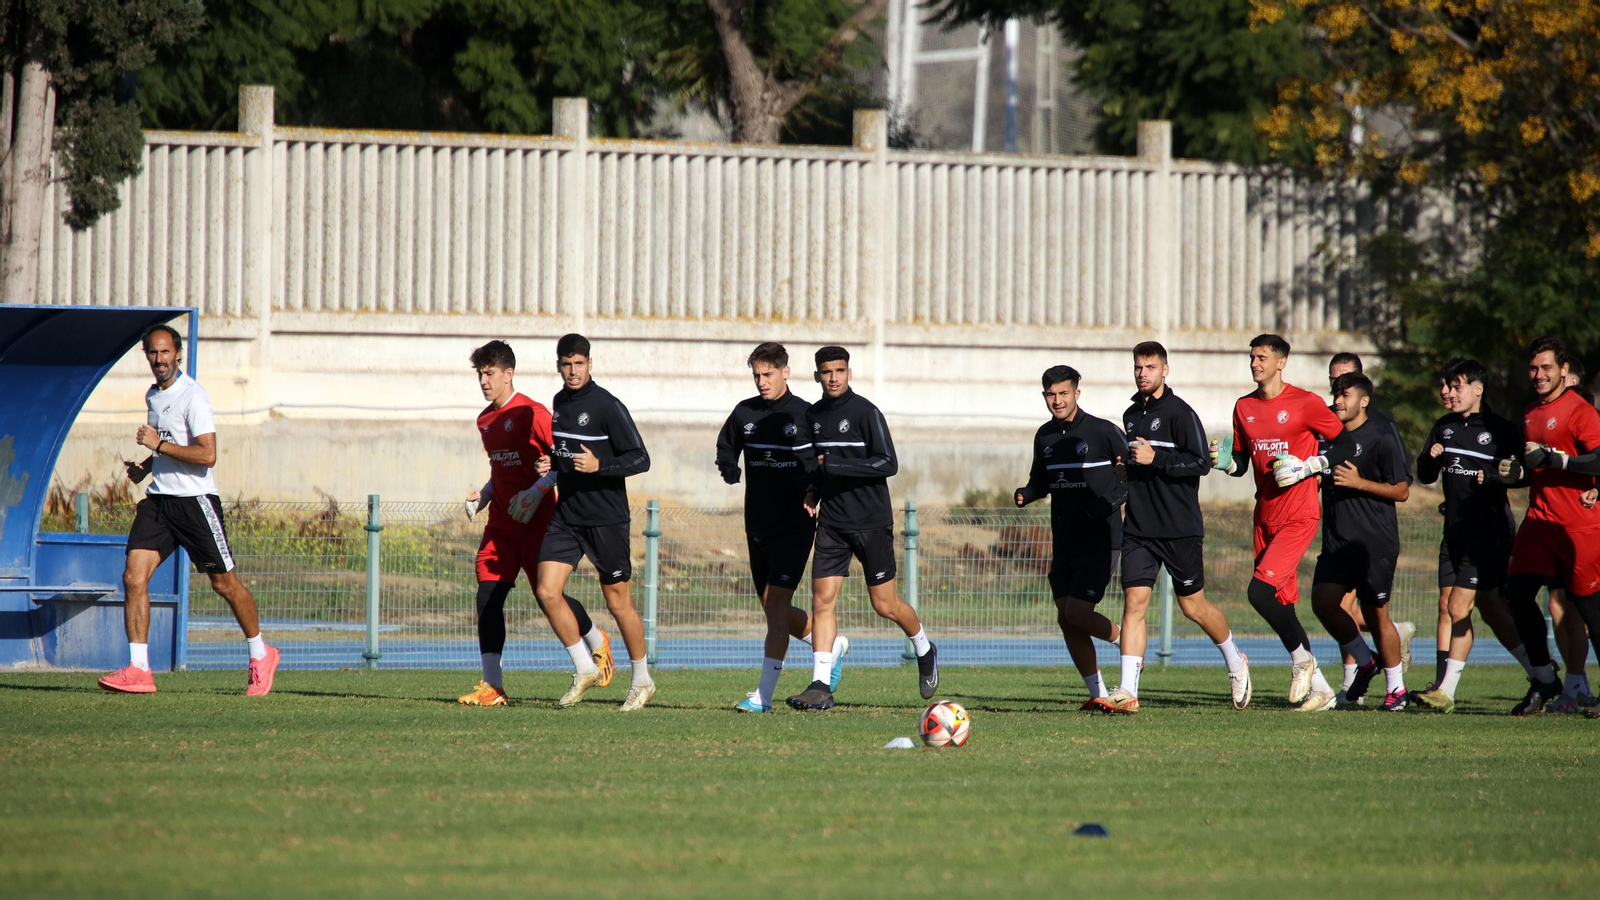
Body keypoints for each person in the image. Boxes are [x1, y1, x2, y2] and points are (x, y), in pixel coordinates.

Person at [99, 325, 280, 696]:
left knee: (223, 584)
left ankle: (262, 655)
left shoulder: (194, 397)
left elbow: (206, 455)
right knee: (134, 577)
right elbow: (167, 444)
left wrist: (159, 447)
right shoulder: (153, 395)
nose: (159, 359)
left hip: (195, 504)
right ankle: (139, 669)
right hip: (160, 503)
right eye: (152, 353)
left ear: (177, 355)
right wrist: (147, 467)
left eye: (165, 353)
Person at [457, 340, 612, 707]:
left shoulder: (534, 412)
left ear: (508, 374)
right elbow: (502, 470)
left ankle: (594, 638)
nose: (483, 380)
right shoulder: (485, 420)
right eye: (480, 373)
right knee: (488, 597)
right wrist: (484, 495)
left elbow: (559, 461)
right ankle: (492, 686)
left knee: (549, 597)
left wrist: (538, 489)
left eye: (489, 373)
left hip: (539, 522)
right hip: (500, 527)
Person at [786, 346, 938, 710]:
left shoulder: (867, 412)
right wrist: (813, 491)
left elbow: (888, 464)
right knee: (822, 601)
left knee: (884, 605)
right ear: (817, 376)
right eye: (827, 371)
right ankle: (821, 685)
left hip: (871, 522)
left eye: (840, 370)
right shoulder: (814, 415)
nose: (834, 377)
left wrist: (836, 465)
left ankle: (924, 647)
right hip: (833, 524)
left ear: (849, 373)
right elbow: (820, 467)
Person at [1210, 334, 1353, 709]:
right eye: (1252, 357)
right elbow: (1241, 462)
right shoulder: (1244, 407)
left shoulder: (1305, 402)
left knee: (1258, 593)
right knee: (1282, 605)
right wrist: (1225, 462)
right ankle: (1322, 690)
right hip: (1265, 515)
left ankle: (1302, 661)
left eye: (1262, 357)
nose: (1255, 363)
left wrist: (1312, 465)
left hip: (1299, 512)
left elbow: (1346, 444)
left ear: (1280, 362)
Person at [1117, 342, 1251, 711]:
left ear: (1165, 370)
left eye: (1150, 367)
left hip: (1179, 528)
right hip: (1139, 529)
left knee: (1194, 607)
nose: (1143, 373)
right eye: (1138, 367)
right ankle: (1128, 691)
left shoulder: (1180, 413)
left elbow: (1199, 464)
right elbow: (1137, 467)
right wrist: (1124, 469)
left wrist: (1155, 457)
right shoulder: (1130, 416)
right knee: (1134, 603)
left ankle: (1235, 661)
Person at [715, 341, 848, 713]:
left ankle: (763, 696)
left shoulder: (806, 415)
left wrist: (813, 491)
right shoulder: (744, 413)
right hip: (757, 525)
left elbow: (825, 463)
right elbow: (726, 448)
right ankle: (830, 645)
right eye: (756, 375)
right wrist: (730, 468)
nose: (762, 381)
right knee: (773, 607)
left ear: (785, 372)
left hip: (796, 524)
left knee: (776, 610)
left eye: (768, 374)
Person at [535, 334, 656, 711]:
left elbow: (641, 459)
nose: (573, 371)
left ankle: (642, 680)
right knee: (547, 591)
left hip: (607, 521)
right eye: (566, 364)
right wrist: (553, 464)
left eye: (579, 364)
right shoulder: (558, 403)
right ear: (558, 366)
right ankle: (585, 667)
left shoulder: (607, 406)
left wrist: (602, 466)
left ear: (590, 364)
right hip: (567, 516)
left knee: (619, 604)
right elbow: (567, 454)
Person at [1409, 358, 1535, 713]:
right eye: (1446, 386)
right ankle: (1539, 672)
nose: (1448, 393)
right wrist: (1431, 459)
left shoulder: (1500, 429)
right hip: (1455, 533)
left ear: (1478, 389)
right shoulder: (1443, 427)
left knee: (1458, 606)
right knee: (1488, 609)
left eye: (1456, 386)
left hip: (1488, 534)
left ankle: (1446, 690)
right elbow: (1424, 473)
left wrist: (1494, 478)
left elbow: (1526, 474)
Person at [1015, 365, 1130, 711]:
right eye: (1051, 394)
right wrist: (1027, 493)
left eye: (1063, 393)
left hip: (1101, 538)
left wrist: (1103, 506)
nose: (1057, 400)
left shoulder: (1102, 431)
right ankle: (1097, 694)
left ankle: (1130, 640)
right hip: (1064, 541)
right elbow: (1041, 481)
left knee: (1078, 614)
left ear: (1077, 394)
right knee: (1066, 618)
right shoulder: (1044, 437)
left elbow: (1130, 478)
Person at [1497, 336, 1600, 716]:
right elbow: (1534, 467)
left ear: (1563, 371)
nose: (1538, 375)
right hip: (1539, 520)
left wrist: (1557, 461)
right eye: (1534, 368)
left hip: (1578, 524)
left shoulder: (1580, 410)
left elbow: (1596, 461)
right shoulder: (1529, 413)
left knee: (1589, 607)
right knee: (1517, 593)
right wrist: (1512, 474)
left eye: (1546, 368)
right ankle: (1543, 677)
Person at [1306, 374, 1413, 711]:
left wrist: (1359, 482)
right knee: (1323, 602)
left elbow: (1401, 490)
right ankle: (1366, 660)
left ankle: (1396, 689)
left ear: (1363, 401)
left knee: (1376, 614)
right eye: (1336, 394)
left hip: (1374, 544)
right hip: (1337, 542)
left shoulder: (1380, 437)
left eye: (1345, 395)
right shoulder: (1327, 437)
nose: (1338, 400)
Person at [1545, 359, 1595, 713]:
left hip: (1588, 530)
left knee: (1587, 608)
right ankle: (1576, 686)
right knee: (1560, 606)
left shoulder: (1586, 415)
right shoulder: (1549, 414)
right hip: (1562, 525)